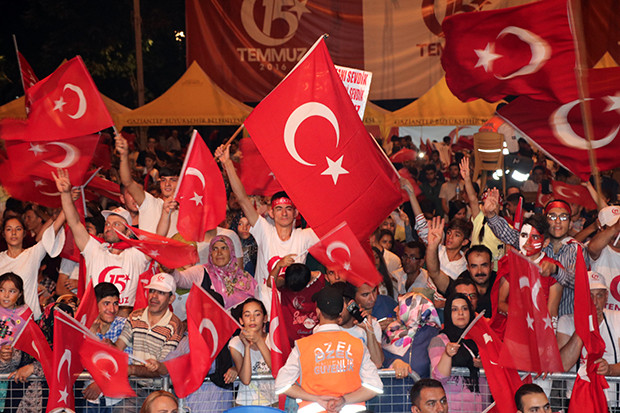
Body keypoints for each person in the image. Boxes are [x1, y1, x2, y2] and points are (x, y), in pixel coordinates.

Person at [216, 143, 319, 309]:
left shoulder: (305, 236)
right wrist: (227, 163)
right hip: (263, 309)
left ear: (296, 213)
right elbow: (242, 199)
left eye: (288, 209)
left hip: (292, 311)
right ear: (271, 213)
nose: (284, 213)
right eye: (278, 209)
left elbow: (335, 229)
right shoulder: (264, 231)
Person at [53, 169, 150, 313]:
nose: (109, 228)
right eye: (107, 224)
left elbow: (159, 237)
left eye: (116, 224)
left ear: (128, 231)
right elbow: (74, 223)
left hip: (124, 323)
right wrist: (66, 195)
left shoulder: (137, 254)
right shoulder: (95, 250)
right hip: (93, 322)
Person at [275, 285, 383, 412]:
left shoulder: (302, 346)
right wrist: (344, 400)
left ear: (318, 312)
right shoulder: (357, 344)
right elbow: (376, 386)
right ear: (339, 312)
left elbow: (281, 385)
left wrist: (316, 398)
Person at [484, 191, 586, 316]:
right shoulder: (533, 242)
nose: (558, 221)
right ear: (545, 219)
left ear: (570, 223)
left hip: (567, 317)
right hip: (535, 319)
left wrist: (556, 270)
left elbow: (579, 282)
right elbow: (508, 234)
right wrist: (491, 215)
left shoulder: (577, 249)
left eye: (563, 217)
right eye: (552, 217)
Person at [115, 272, 184, 411]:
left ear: (171, 299)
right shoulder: (135, 316)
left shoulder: (175, 325)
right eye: (151, 291)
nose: (154, 296)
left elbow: (162, 369)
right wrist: (106, 345)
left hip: (161, 390)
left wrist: (132, 369)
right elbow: (118, 348)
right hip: (135, 386)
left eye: (161, 293)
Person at [490, 215, 562, 338]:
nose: (528, 242)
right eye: (524, 235)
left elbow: (552, 312)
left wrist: (549, 338)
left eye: (534, 237)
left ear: (545, 243)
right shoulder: (510, 263)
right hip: (513, 329)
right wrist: (521, 316)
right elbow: (500, 303)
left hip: (541, 331)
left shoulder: (553, 268)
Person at [557, 271, 620, 407]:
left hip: (613, 400)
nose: (595, 302)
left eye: (599, 295)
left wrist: (610, 369)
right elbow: (562, 365)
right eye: (589, 296)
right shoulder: (566, 321)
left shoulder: (617, 318)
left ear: (606, 296)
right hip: (577, 399)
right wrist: (584, 325)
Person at [0, 210, 66, 319]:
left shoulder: (32, 254)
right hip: (3, 321)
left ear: (24, 233)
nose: (13, 233)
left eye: (18, 229)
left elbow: (52, 232)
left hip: (29, 320)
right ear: (3, 234)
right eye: (9, 229)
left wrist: (66, 202)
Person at [428, 293, 486, 412]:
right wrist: (447, 355)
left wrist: (484, 365)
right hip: (453, 407)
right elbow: (439, 377)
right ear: (448, 314)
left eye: (465, 308)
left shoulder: (482, 339)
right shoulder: (440, 341)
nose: (460, 313)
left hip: (481, 406)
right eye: (454, 309)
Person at [117, 134, 181, 237]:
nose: (167, 184)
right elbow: (127, 182)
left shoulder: (186, 211)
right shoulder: (148, 202)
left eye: (173, 180)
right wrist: (124, 155)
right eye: (163, 180)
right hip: (148, 253)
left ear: (181, 183)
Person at [172, 235, 256, 310]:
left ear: (231, 252)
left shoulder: (245, 277)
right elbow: (180, 279)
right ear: (211, 254)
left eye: (224, 248)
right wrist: (170, 269)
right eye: (215, 249)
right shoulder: (202, 271)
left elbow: (258, 302)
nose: (219, 253)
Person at [81, 282, 127, 412]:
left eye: (115, 304)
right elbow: (79, 362)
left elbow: (126, 361)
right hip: (89, 397)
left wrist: (101, 384)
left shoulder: (125, 325)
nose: (112, 309)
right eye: (106, 303)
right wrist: (91, 335)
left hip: (117, 399)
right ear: (95, 305)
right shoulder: (83, 325)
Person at [228, 298, 276, 406]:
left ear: (265, 318)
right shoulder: (235, 343)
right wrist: (246, 347)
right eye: (247, 315)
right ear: (241, 320)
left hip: (273, 402)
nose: (252, 319)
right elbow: (245, 379)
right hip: (246, 403)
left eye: (257, 314)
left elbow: (276, 369)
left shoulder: (273, 339)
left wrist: (258, 340)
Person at [587, 205, 620, 311]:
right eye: (611, 227)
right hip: (602, 319)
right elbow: (592, 248)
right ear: (602, 228)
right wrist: (616, 227)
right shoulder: (599, 249)